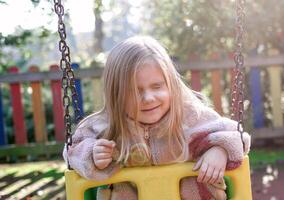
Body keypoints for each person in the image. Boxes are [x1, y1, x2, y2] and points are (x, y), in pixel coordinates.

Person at [63, 36, 251, 200]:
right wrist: (91, 154)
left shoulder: (191, 117)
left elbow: (238, 136)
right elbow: (72, 151)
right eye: (134, 91)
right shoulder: (104, 126)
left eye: (157, 86)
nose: (148, 98)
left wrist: (220, 150)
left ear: (170, 85)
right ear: (116, 93)